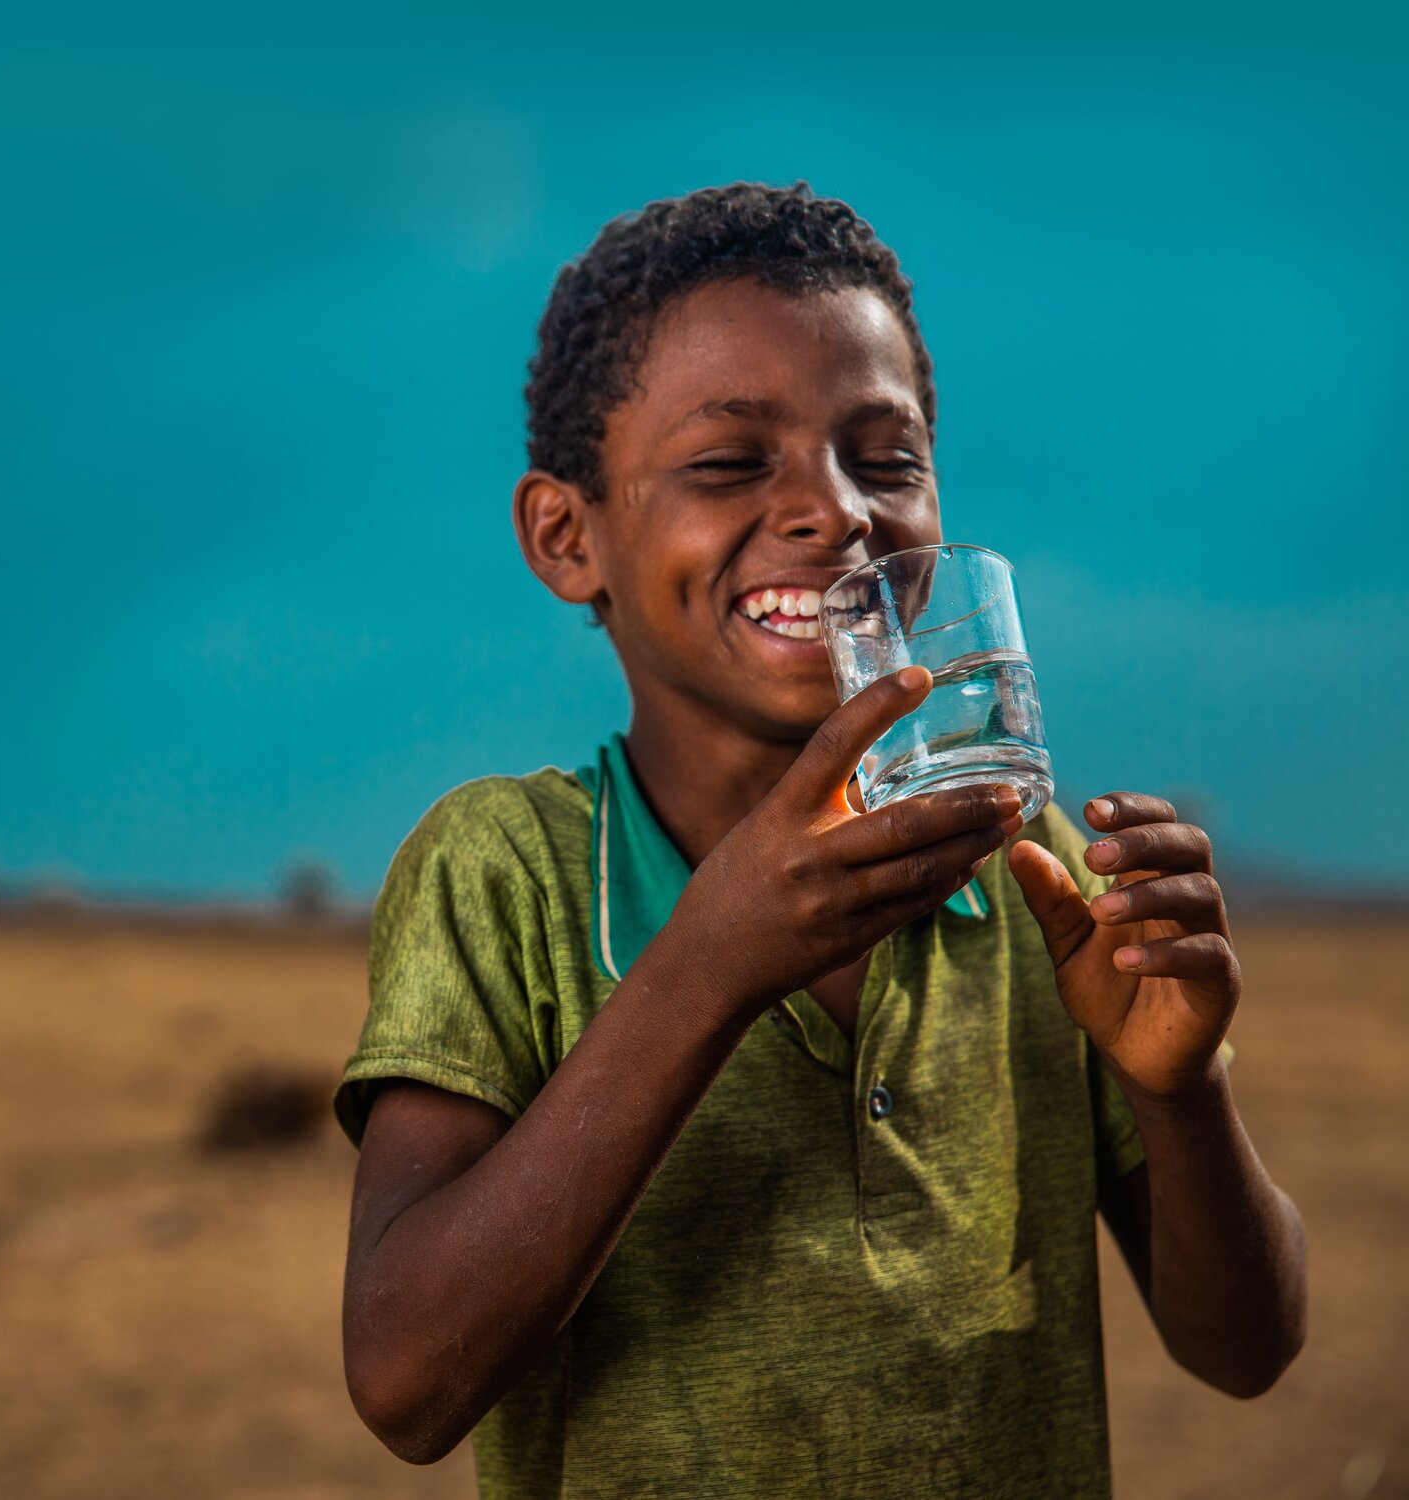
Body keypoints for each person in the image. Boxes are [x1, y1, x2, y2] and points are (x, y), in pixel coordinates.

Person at [335, 183, 1306, 1499]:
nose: (836, 510)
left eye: (885, 456)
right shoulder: (504, 869)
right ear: (569, 539)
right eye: (732, 463)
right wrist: (710, 965)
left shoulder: (1033, 873)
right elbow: (407, 1382)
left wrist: (1181, 1094)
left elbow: (1245, 1349)